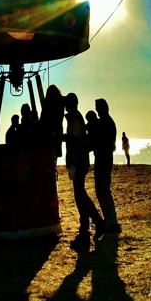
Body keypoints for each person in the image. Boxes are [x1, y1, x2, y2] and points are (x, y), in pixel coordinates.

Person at [64, 93, 104, 250]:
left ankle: (85, 230)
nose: (65, 106)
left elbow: (75, 141)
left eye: (66, 103)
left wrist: (61, 137)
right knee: (81, 193)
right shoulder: (75, 117)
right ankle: (97, 222)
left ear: (71, 104)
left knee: (79, 195)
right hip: (79, 161)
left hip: (78, 162)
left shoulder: (74, 118)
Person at [92, 97, 121, 233]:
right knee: (101, 189)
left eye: (99, 108)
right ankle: (110, 221)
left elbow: (106, 143)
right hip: (103, 158)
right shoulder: (105, 122)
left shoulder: (107, 122)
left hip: (104, 159)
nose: (98, 111)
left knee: (103, 189)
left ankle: (112, 222)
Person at [40, 84, 64, 158]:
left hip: (48, 134)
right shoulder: (61, 103)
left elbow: (42, 119)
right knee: (54, 156)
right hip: (58, 132)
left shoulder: (47, 106)